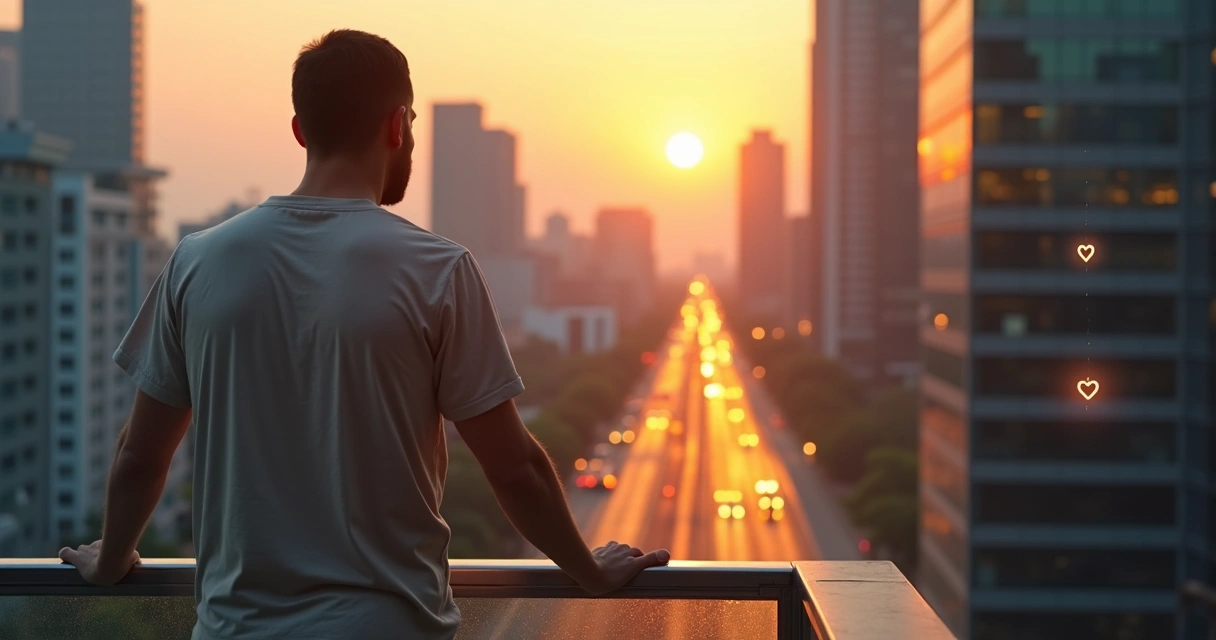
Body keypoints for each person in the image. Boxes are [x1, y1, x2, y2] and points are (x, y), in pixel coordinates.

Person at [59, 29, 669, 639]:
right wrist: (587, 569)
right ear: (397, 126)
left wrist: (111, 561)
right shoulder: (437, 268)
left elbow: (140, 456)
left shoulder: (197, 260)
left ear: (300, 129)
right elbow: (514, 467)